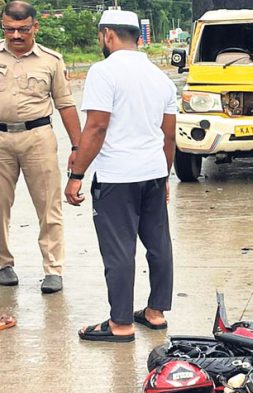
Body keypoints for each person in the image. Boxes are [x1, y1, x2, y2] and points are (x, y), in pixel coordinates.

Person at [64, 9, 177, 342]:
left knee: (119, 250)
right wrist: (165, 176)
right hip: (153, 174)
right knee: (158, 244)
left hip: (117, 176)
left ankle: (121, 323)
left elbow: (97, 126)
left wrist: (77, 174)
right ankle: (155, 313)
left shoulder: (104, 71)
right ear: (139, 38)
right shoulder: (160, 77)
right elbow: (169, 136)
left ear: (107, 35)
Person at [0, 1, 81, 293]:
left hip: (38, 138)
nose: (16, 35)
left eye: (22, 29)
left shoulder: (51, 60)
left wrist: (77, 147)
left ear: (35, 26)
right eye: (9, 29)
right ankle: (3, 264)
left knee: (49, 205)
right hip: (0, 140)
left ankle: (53, 269)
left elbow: (65, 104)